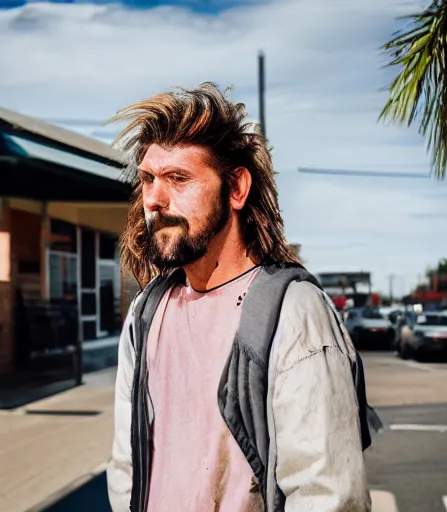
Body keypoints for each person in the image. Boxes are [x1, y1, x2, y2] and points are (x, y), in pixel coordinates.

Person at [106, 82, 371, 512]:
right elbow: (127, 467)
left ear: (236, 189)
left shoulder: (292, 311)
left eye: (178, 178)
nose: (154, 198)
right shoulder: (146, 313)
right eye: (149, 179)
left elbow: (327, 496)